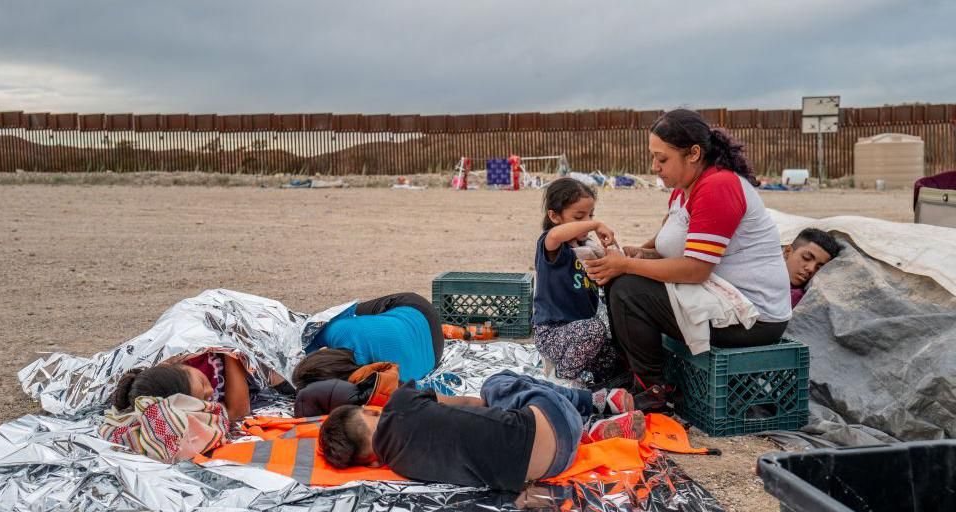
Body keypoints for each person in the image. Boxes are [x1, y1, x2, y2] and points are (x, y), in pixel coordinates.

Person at [583, 109, 791, 412]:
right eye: (653, 157)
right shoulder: (685, 191)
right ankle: (633, 377)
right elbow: (674, 253)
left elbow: (696, 269)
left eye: (662, 159)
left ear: (693, 153)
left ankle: (655, 390)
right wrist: (638, 255)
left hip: (754, 317)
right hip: (722, 298)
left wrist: (627, 265)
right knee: (622, 280)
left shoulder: (718, 186)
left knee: (629, 289)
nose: (654, 167)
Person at [318, 370, 642, 492]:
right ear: (372, 409)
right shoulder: (401, 402)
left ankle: (594, 430)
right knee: (496, 384)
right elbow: (470, 404)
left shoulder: (404, 468)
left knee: (508, 416)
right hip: (555, 419)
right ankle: (594, 400)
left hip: (554, 465)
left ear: (371, 462)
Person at [532, 178, 624, 388]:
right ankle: (562, 379)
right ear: (554, 216)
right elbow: (555, 235)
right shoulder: (552, 245)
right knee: (594, 330)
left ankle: (588, 381)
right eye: (578, 217)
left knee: (614, 357)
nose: (587, 222)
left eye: (590, 215)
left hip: (579, 334)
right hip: (553, 333)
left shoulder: (587, 250)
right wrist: (596, 224)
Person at [291, 292, 444, 415]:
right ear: (322, 354)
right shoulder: (336, 331)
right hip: (419, 312)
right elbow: (304, 337)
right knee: (331, 316)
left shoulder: (367, 385)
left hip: (432, 356)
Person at [111, 352, 256, 421]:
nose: (210, 390)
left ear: (179, 366)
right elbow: (238, 412)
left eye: (202, 382)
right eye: (206, 399)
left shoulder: (191, 355)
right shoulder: (196, 411)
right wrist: (230, 350)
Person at [783, 228, 842, 307]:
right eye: (806, 257)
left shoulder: (798, 299)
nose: (811, 269)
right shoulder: (764, 269)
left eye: (819, 267)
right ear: (787, 251)